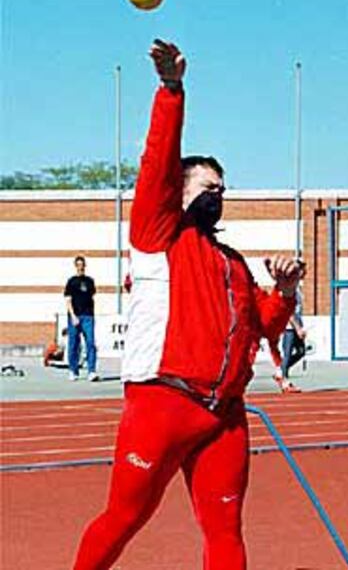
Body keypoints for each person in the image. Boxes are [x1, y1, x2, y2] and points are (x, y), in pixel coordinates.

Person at [72, 40, 306, 570]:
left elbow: (259, 328)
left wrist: (285, 293)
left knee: (225, 532)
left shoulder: (232, 262)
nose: (217, 194)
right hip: (163, 403)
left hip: (224, 414)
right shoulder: (158, 235)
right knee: (126, 517)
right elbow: (158, 162)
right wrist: (171, 91)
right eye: (207, 185)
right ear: (179, 190)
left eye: (223, 188)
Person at [64, 255, 98, 382]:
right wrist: (73, 315)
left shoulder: (90, 281)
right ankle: (73, 370)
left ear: (84, 266)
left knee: (90, 343)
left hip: (88, 316)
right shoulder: (71, 281)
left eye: (82, 265)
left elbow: (92, 296)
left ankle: (92, 371)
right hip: (75, 317)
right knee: (74, 344)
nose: (80, 267)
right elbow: (68, 300)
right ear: (75, 266)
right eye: (78, 265)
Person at [274, 285, 307, 392]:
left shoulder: (298, 289)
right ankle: (285, 382)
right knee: (287, 354)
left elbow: (298, 311)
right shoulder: (289, 290)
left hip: (297, 327)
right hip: (289, 328)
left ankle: (280, 371)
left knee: (301, 351)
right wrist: (297, 328)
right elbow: (289, 312)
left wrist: (301, 327)